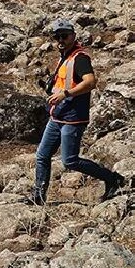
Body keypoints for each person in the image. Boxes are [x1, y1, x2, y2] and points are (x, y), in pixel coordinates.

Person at [28, 19, 124, 206]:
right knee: (42, 155)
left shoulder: (80, 58)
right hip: (58, 115)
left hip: (73, 117)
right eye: (57, 37)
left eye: (64, 36)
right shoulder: (66, 56)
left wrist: (65, 94)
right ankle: (38, 196)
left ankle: (112, 178)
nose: (60, 40)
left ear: (73, 36)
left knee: (70, 161)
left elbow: (90, 82)